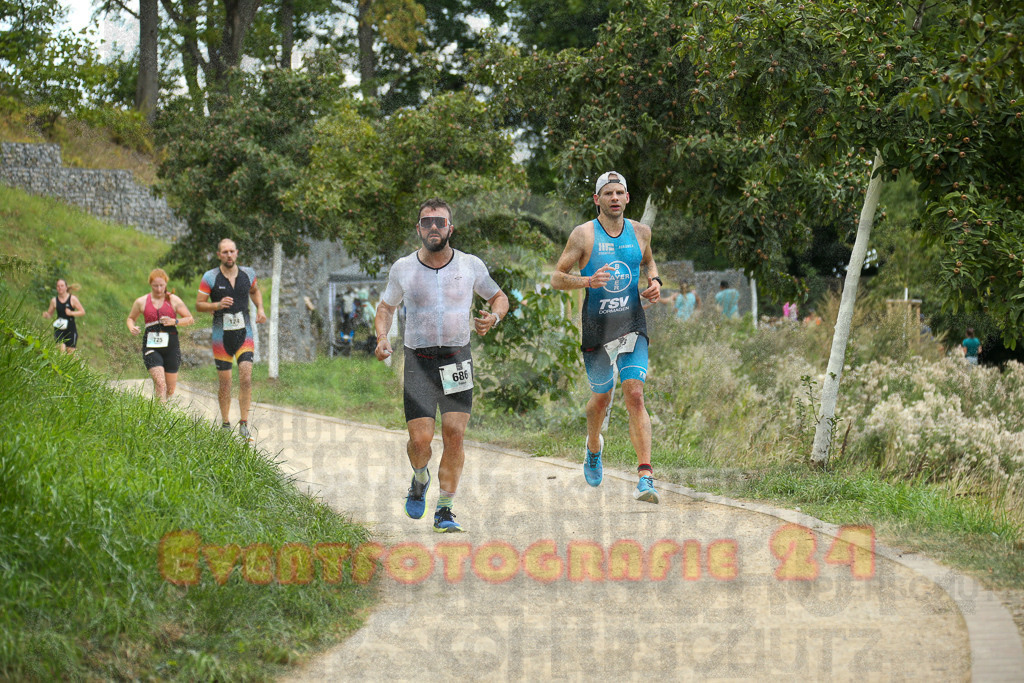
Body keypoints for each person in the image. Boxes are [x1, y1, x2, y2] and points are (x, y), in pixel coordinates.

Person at [374, 198, 509, 533]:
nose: (433, 227)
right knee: (420, 441)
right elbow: (386, 307)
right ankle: (420, 478)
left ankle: (445, 509)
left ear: (451, 227)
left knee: (455, 434)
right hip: (418, 362)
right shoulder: (403, 268)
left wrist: (493, 316)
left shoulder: (470, 265)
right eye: (426, 222)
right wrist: (381, 337)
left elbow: (499, 297)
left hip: (456, 359)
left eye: (439, 221)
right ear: (418, 228)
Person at [551, 171, 663, 504]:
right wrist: (588, 282)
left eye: (620, 192)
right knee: (601, 399)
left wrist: (655, 282)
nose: (614, 197)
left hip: (632, 323)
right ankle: (593, 447)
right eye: (608, 193)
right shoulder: (583, 235)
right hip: (597, 330)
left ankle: (645, 476)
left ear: (628, 198)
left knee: (635, 394)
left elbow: (648, 261)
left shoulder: (641, 232)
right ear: (597, 199)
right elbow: (558, 277)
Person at [196, 238, 267, 439]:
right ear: (219, 255)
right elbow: (199, 304)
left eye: (231, 251)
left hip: (245, 333)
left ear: (237, 253)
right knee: (225, 383)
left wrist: (260, 308)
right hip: (221, 336)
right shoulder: (210, 277)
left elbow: (255, 291)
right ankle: (226, 423)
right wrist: (217, 305)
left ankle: (244, 423)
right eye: (224, 252)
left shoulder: (248, 274)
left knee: (245, 377)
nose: (228, 255)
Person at [126, 269, 195, 402]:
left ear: (166, 284)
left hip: (171, 346)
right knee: (160, 384)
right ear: (150, 285)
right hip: (151, 346)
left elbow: (189, 319)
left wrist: (174, 321)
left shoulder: (173, 300)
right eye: (155, 286)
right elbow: (131, 318)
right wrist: (131, 327)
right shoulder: (141, 302)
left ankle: (159, 407)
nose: (159, 289)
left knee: (170, 389)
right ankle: (159, 417)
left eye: (161, 286)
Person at [42, 279, 85, 353]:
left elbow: (82, 312)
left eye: (62, 286)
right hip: (59, 327)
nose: (60, 288)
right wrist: (46, 315)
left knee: (70, 354)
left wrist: (71, 313)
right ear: (56, 288)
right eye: (58, 286)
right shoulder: (54, 300)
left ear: (66, 287)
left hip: (70, 328)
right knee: (60, 351)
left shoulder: (72, 299)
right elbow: (50, 314)